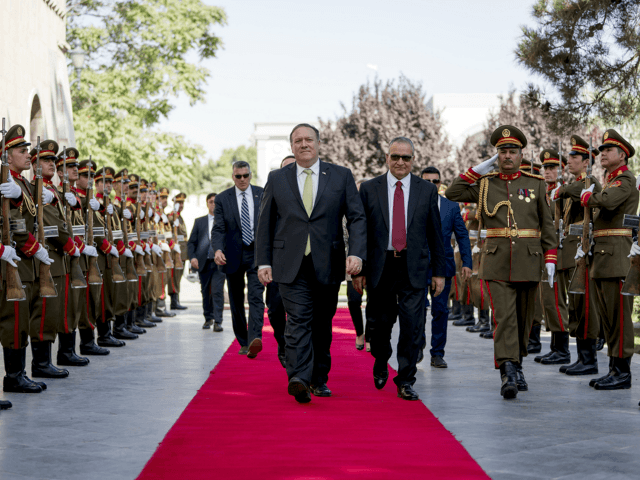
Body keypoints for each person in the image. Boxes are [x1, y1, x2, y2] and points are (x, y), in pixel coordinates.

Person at [256, 123, 366, 403]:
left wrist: (356, 252)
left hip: (327, 262)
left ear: (318, 143)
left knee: (321, 323)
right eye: (297, 141)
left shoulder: (340, 176)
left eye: (308, 139)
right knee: (299, 319)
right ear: (291, 146)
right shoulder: (278, 178)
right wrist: (263, 261)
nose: (303, 144)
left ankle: (319, 378)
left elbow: (356, 217)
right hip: (289, 264)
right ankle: (299, 378)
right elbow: (265, 222)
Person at [446, 125, 556, 400]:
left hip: (529, 260)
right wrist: (478, 169)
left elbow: (547, 225)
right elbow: (452, 192)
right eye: (502, 152)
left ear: (521, 155)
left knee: (524, 318)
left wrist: (551, 257)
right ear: (496, 156)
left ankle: (516, 363)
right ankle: (507, 370)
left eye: (512, 151)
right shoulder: (485, 184)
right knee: (504, 317)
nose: (507, 156)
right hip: (496, 261)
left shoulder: (536, 184)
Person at [353, 137, 445, 401]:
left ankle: (405, 379)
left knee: (413, 326)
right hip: (380, 266)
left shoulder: (426, 190)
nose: (401, 162)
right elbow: (361, 231)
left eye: (406, 158)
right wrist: (359, 269)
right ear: (387, 158)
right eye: (396, 157)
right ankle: (381, 360)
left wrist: (439, 272)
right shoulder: (370, 189)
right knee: (379, 325)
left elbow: (435, 234)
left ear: (413, 160)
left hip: (413, 267)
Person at [0, 124, 53, 397]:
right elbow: (15, 227)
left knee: (21, 321)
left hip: (24, 262)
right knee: (13, 321)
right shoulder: (6, 181)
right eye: (21, 152)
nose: (26, 156)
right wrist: (34, 249)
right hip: (14, 261)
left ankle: (18, 374)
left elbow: (30, 218)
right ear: (8, 156)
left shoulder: (20, 182)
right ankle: (13, 376)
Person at [583, 129, 638, 390]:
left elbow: (608, 202)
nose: (602, 154)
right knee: (607, 318)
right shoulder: (609, 180)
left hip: (617, 256)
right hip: (604, 256)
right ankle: (614, 368)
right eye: (601, 150)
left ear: (622, 155)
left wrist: (587, 197)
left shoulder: (624, 179)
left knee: (619, 318)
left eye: (608, 150)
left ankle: (623, 372)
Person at [550, 135, 602, 375]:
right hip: (569, 251)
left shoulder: (588, 183)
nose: (569, 161)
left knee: (584, 305)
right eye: (569, 156)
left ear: (586, 162)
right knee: (575, 305)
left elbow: (572, 191)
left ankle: (589, 359)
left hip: (582, 252)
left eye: (574, 157)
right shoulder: (574, 185)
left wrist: (560, 190)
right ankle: (582, 356)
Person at [419, 166, 472, 368]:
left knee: (440, 311)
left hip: (443, 266)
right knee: (418, 310)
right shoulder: (413, 204)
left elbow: (462, 235)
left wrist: (467, 262)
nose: (432, 185)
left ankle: (437, 353)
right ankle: (418, 346)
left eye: (435, 181)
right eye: (427, 181)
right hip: (419, 266)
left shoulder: (451, 207)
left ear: (440, 183)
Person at [212, 161, 265, 357]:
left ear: (250, 175)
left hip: (256, 254)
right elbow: (218, 228)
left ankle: (254, 339)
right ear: (233, 176)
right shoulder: (222, 199)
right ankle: (243, 340)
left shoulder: (262, 194)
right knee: (236, 300)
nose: (242, 179)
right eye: (238, 176)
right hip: (231, 255)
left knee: (256, 296)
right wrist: (217, 249)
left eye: (245, 175)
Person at [534, 149, 571, 365]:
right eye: (545, 168)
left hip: (556, 251)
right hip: (542, 250)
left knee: (556, 300)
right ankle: (555, 346)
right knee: (547, 300)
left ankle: (563, 349)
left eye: (552, 168)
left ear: (561, 169)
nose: (547, 172)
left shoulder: (563, 192)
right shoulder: (544, 192)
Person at [265, 155, 297, 368]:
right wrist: (263, 264)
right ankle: (282, 343)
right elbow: (263, 230)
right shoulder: (272, 195)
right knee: (276, 309)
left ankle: (299, 353)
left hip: (305, 262)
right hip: (278, 264)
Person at [187, 192, 225, 331]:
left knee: (217, 291)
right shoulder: (200, 221)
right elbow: (191, 243)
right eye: (210, 201)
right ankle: (208, 318)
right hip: (204, 261)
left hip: (219, 262)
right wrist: (193, 257)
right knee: (205, 292)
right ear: (207, 203)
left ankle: (218, 321)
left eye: (215, 201)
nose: (213, 204)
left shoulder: (224, 220)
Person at [344, 178, 370, 351]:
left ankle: (369, 335)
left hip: (374, 262)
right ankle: (359, 332)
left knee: (374, 302)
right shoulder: (347, 214)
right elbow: (344, 237)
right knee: (354, 301)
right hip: (352, 261)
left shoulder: (376, 211)